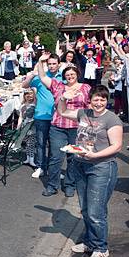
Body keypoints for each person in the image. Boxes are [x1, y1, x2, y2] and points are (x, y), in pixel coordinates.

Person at [57, 86, 122, 257]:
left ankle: (101, 248)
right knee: (85, 208)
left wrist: (95, 155)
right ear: (90, 99)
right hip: (81, 165)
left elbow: (116, 146)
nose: (99, 102)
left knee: (96, 211)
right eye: (96, 99)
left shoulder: (111, 119)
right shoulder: (83, 113)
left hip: (101, 167)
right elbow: (62, 112)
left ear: (106, 100)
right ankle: (90, 241)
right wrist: (64, 97)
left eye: (102, 99)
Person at [35, 55, 91, 197]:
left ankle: (70, 185)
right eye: (67, 74)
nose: (70, 76)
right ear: (64, 76)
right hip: (58, 126)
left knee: (73, 158)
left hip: (77, 127)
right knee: (56, 157)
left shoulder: (86, 88)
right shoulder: (58, 86)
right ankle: (52, 185)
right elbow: (42, 77)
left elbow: (91, 106)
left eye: (72, 74)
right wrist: (41, 62)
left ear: (77, 74)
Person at [22, 53, 63, 179]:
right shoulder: (41, 77)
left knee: (55, 145)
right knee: (41, 143)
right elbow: (24, 85)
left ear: (58, 64)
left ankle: (54, 169)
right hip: (41, 115)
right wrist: (32, 75)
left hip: (57, 116)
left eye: (53, 63)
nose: (51, 66)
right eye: (49, 64)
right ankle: (40, 167)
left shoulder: (64, 77)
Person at [18, 89, 37, 166]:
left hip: (32, 126)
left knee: (31, 143)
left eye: (31, 94)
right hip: (24, 126)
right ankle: (28, 157)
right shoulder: (22, 105)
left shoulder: (35, 104)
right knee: (26, 143)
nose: (29, 96)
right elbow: (21, 116)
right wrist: (18, 126)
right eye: (27, 94)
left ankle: (31, 159)